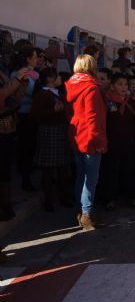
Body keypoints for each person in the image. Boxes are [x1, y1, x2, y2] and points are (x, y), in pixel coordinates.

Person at [66, 54, 107, 231]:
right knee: (90, 178)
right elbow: (93, 117)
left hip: (76, 134)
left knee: (81, 175)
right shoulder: (91, 88)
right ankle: (87, 214)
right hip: (89, 136)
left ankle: (81, 210)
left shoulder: (71, 85)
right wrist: (98, 140)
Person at [31, 68, 73, 212]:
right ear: (50, 78)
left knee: (63, 168)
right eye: (57, 77)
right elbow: (36, 114)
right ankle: (49, 200)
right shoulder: (42, 95)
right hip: (49, 132)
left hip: (61, 132)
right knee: (48, 170)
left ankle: (64, 197)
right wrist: (52, 111)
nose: (60, 79)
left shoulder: (60, 93)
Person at [103, 73, 135, 210]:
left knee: (130, 170)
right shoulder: (107, 101)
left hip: (129, 142)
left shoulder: (130, 102)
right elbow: (103, 123)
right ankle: (110, 199)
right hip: (112, 142)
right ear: (112, 86)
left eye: (125, 84)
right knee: (112, 171)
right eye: (120, 84)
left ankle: (132, 197)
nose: (124, 87)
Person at [10, 43, 40, 192]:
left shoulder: (32, 72)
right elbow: (29, 92)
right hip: (24, 114)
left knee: (30, 146)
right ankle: (25, 179)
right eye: (35, 57)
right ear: (28, 59)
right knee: (26, 147)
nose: (37, 60)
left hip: (31, 113)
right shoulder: (22, 73)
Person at [0, 66, 28, 220]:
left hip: (7, 128)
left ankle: (6, 205)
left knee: (5, 170)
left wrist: (22, 83)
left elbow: (14, 98)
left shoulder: (2, 75)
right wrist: (16, 80)